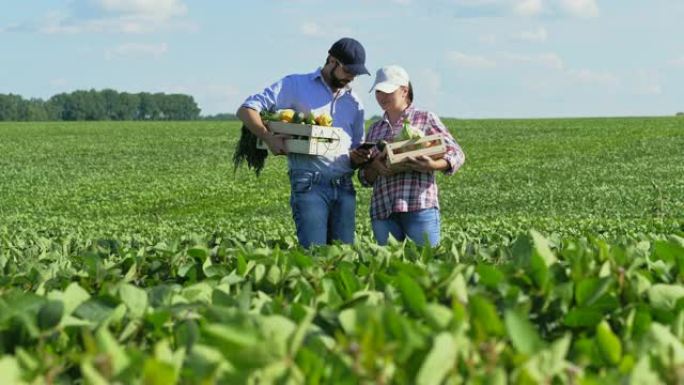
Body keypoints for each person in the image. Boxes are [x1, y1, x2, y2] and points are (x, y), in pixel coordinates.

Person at [237, 37, 372, 248]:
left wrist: (358, 157)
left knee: (345, 258)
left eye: (355, 74)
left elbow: (356, 147)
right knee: (314, 255)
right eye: (347, 71)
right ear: (331, 61)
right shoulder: (296, 84)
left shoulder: (354, 102)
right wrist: (267, 136)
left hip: (345, 187)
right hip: (310, 184)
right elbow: (247, 109)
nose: (351, 78)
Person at [358, 65, 465, 247]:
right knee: (387, 269)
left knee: (427, 267)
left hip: (419, 206)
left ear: (404, 91)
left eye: (387, 91)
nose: (381, 97)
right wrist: (375, 166)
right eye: (378, 91)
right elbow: (364, 178)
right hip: (383, 210)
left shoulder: (425, 118)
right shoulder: (375, 129)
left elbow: (456, 153)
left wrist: (432, 165)